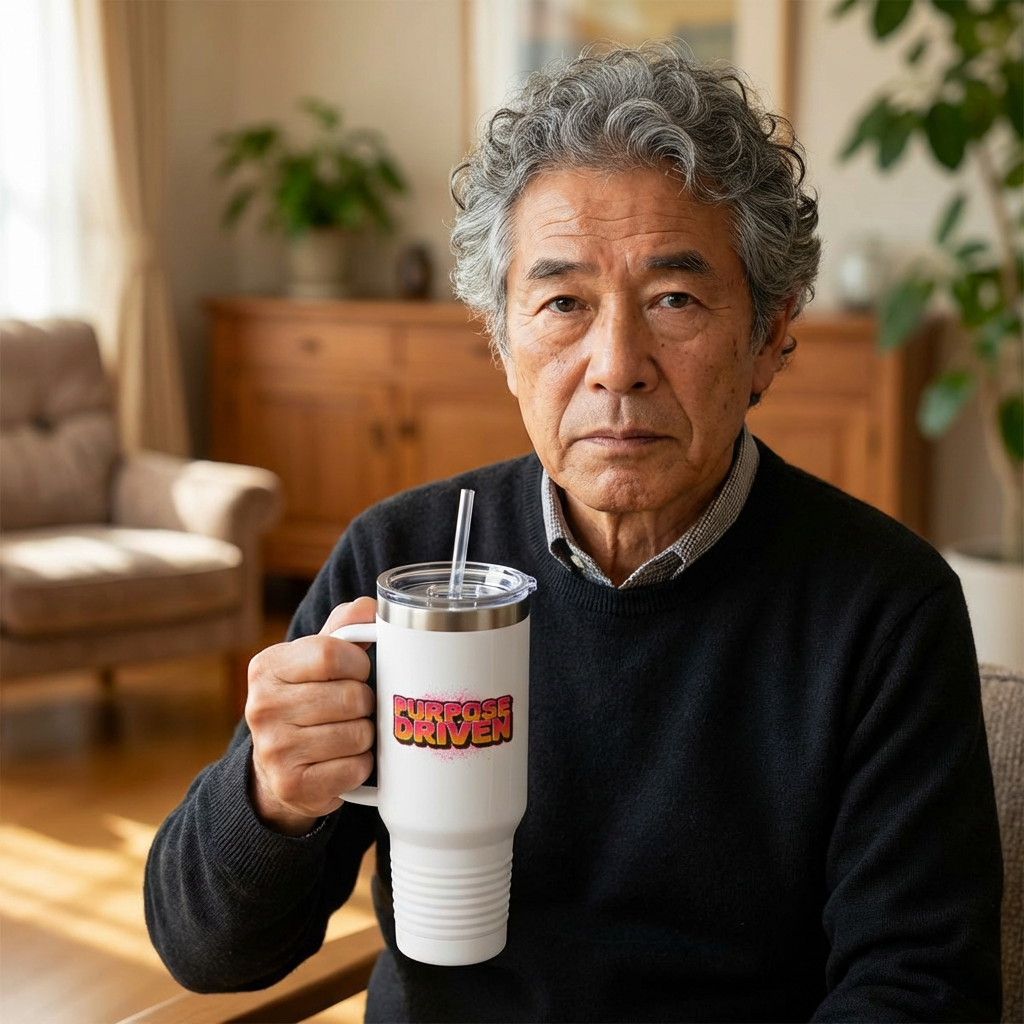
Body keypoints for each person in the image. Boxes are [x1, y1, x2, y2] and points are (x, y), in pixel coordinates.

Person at [145, 46, 1002, 1022]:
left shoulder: (882, 607)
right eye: (561, 303)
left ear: (770, 335)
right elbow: (202, 950)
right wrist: (269, 797)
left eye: (674, 299)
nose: (616, 365)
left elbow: (921, 989)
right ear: (504, 345)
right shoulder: (402, 563)